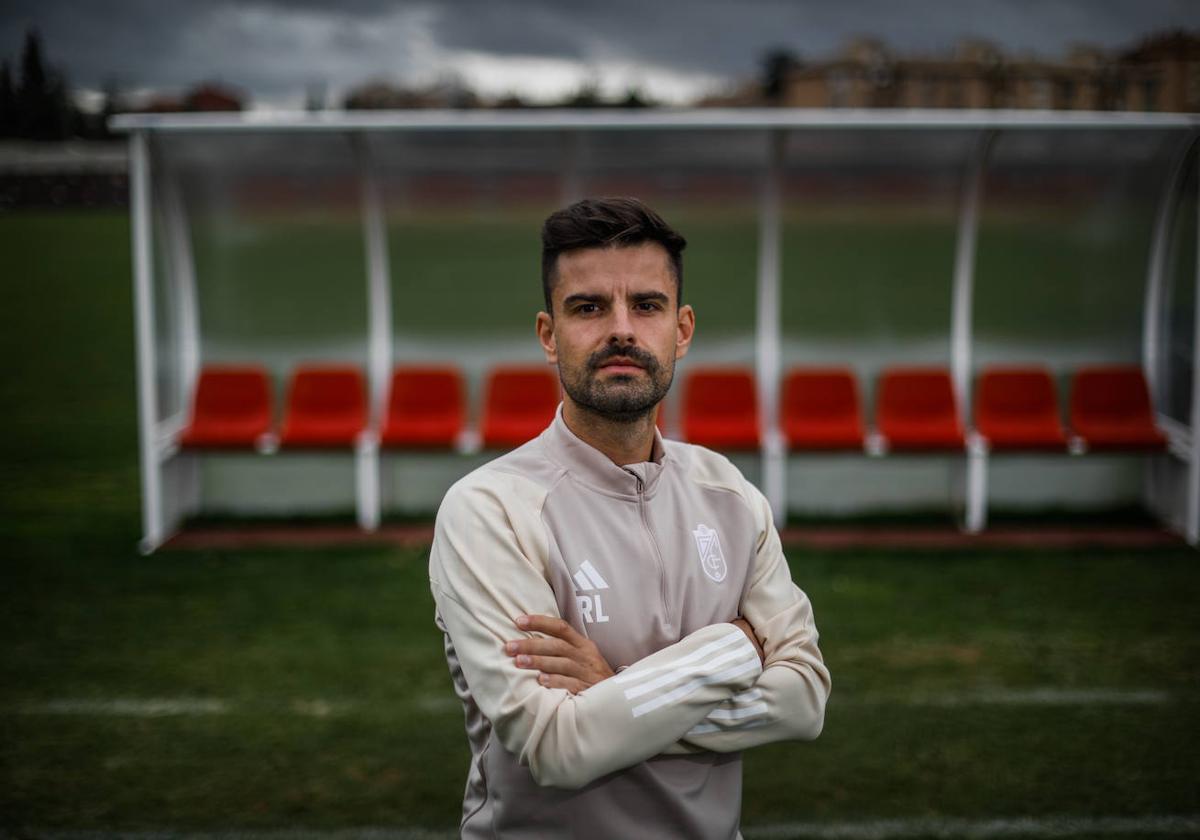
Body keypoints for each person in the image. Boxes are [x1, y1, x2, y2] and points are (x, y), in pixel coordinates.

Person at [429, 197, 830, 839]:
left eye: (646, 305)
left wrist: (614, 689)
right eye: (588, 308)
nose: (621, 329)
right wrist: (733, 650)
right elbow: (558, 748)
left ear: (683, 329)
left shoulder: (727, 491)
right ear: (548, 335)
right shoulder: (489, 509)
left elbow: (806, 699)